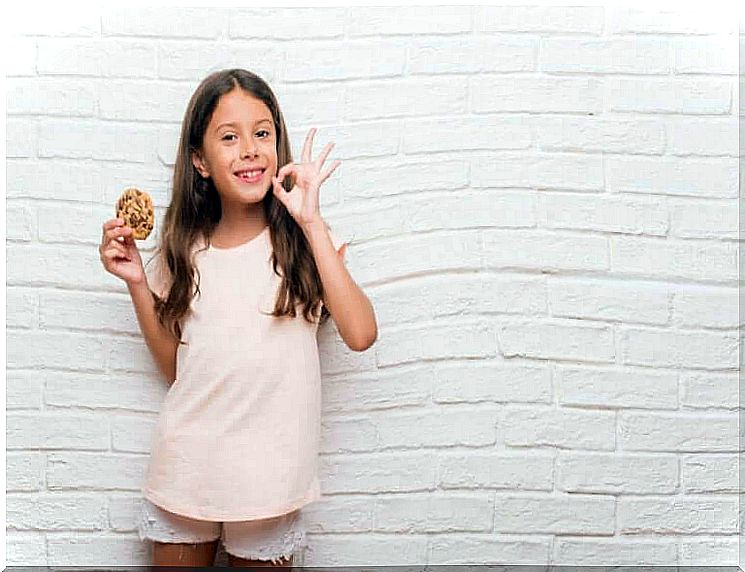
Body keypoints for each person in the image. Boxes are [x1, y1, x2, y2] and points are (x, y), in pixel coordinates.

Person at [99, 68, 377, 568]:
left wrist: (311, 221)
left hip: (268, 480)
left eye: (262, 132)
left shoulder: (303, 244)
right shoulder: (184, 250)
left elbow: (360, 333)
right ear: (200, 161)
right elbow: (177, 372)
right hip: (188, 467)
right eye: (229, 137)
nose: (249, 148)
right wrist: (139, 283)